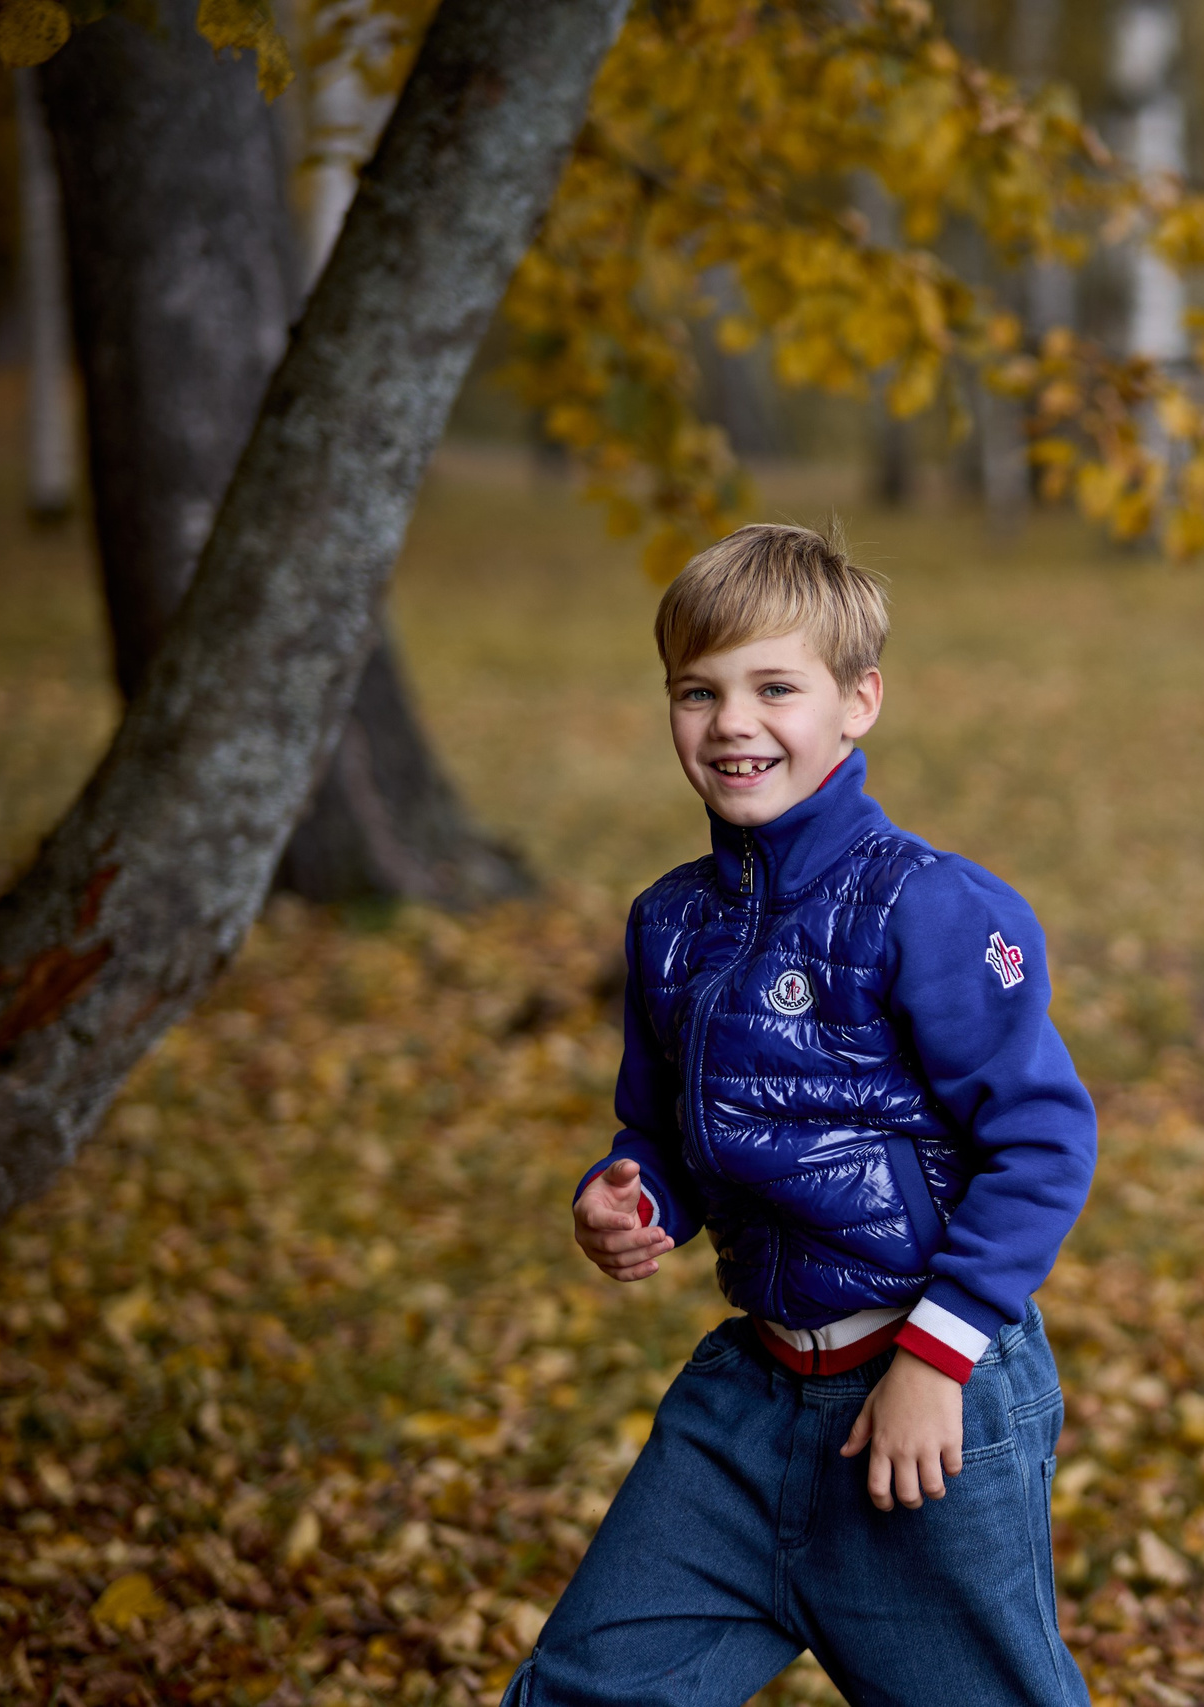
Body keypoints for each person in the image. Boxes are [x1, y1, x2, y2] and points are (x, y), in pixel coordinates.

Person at [507, 524, 1099, 1707]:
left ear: (857, 702)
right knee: (581, 1692)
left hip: (927, 1400)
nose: (732, 722)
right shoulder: (670, 924)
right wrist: (634, 1199)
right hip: (749, 1403)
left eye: (775, 687)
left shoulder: (927, 908)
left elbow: (1041, 1142)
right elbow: (663, 1130)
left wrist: (937, 1359)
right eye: (698, 691)